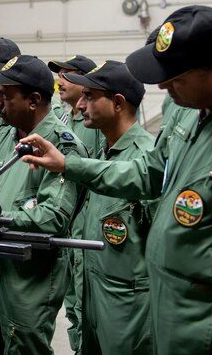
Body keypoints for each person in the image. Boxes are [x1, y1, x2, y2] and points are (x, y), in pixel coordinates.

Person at [20, 5, 212, 355]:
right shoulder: (185, 109)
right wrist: (67, 165)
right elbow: (148, 172)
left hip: (211, 325)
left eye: (176, 78)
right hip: (164, 308)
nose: (163, 85)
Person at [0, 55, 88, 355]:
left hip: (27, 273)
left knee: (23, 347)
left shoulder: (63, 147)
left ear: (33, 100)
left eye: (5, 96)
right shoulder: (1, 137)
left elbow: (52, 217)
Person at [61, 60, 155, 355]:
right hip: (91, 299)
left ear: (117, 103)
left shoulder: (146, 160)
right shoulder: (101, 156)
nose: (79, 106)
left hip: (130, 311)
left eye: (89, 96)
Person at [47, 53, 100, 354]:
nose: (60, 82)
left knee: (84, 299)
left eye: (68, 76)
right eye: (59, 75)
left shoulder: (95, 123)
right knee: (71, 302)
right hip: (68, 222)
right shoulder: (65, 119)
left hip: (87, 224)